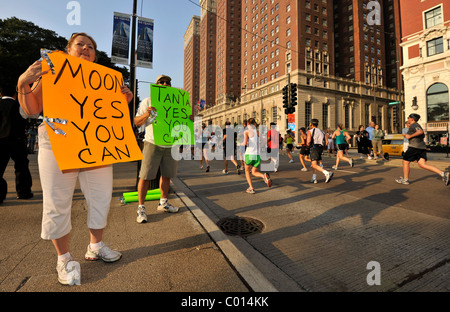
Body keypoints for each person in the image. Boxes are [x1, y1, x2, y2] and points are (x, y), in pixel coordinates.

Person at [17, 33, 131, 285]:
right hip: (57, 142)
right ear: (68, 50)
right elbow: (31, 110)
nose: (86, 49)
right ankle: (64, 259)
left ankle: (96, 245)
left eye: (91, 46)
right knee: (57, 202)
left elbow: (113, 116)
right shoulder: (52, 73)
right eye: (80, 44)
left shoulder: (106, 81)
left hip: (96, 145)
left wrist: (124, 99)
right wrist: (23, 83)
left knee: (101, 198)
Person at [135, 74, 182, 225]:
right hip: (152, 143)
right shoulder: (148, 101)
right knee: (145, 176)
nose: (164, 84)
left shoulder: (176, 102)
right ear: (156, 84)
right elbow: (136, 122)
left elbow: (182, 122)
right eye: (161, 82)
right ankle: (141, 208)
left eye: (167, 82)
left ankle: (163, 202)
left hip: (170, 144)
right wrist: (147, 114)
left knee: (167, 175)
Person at [0, 84, 33, 205]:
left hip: (1, 141)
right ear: (15, 94)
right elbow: (27, 117)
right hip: (17, 140)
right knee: (21, 166)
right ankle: (23, 192)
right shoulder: (19, 106)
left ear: (1, 94)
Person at [396, 113, 449, 186]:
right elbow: (420, 134)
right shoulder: (416, 125)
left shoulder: (414, 125)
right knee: (422, 164)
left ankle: (406, 179)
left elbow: (420, 132)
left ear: (412, 119)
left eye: (408, 117)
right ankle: (443, 174)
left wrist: (409, 136)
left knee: (405, 161)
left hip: (415, 147)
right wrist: (407, 135)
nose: (407, 119)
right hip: (421, 147)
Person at [243, 118, 272, 193]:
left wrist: (239, 143)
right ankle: (264, 176)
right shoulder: (257, 132)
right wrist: (259, 146)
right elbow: (264, 141)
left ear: (248, 124)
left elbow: (245, 143)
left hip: (249, 154)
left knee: (247, 171)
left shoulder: (246, 132)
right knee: (253, 172)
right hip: (257, 155)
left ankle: (251, 188)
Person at [307, 119, 333, 183]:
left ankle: (326, 173)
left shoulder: (310, 131)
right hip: (320, 148)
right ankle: (314, 178)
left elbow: (308, 141)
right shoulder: (322, 132)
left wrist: (307, 146)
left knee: (314, 165)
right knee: (315, 163)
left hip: (314, 148)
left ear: (311, 124)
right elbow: (326, 142)